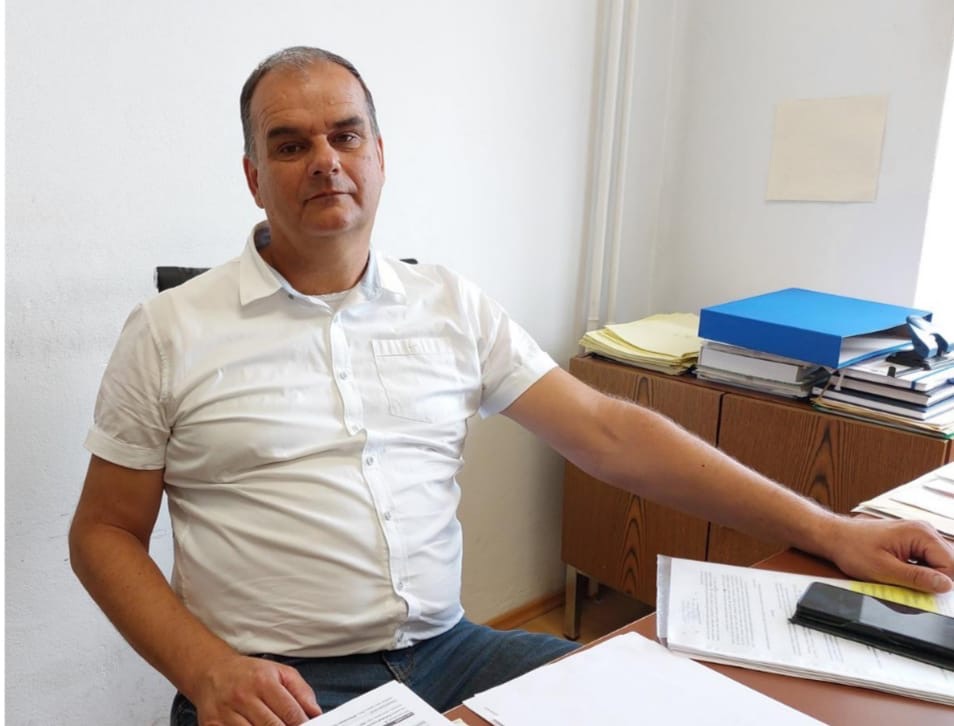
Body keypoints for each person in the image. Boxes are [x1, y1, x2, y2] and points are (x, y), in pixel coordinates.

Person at [69, 46, 954, 726]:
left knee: (675, 708)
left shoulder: (448, 303)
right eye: (290, 145)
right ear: (253, 177)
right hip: (279, 682)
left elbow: (610, 433)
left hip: (450, 652)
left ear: (380, 155)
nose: (325, 161)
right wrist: (205, 671)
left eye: (345, 135)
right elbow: (103, 533)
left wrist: (830, 531)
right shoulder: (170, 331)